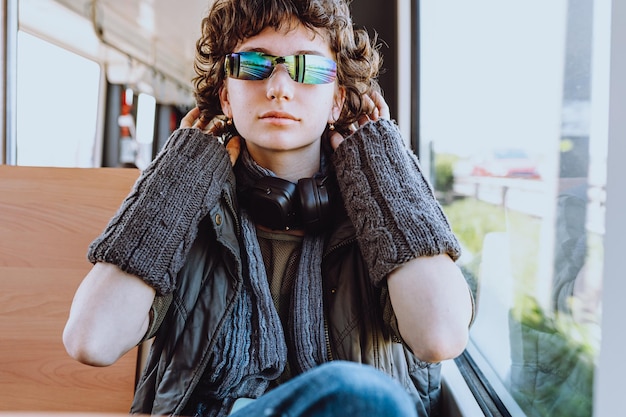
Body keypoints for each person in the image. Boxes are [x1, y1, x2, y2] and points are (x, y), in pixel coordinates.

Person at [63, 0, 474, 416]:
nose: (279, 86)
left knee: (361, 397)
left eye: (308, 68)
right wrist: (176, 179)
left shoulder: (380, 219)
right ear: (226, 95)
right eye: (253, 65)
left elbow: (440, 335)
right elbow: (90, 339)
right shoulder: (183, 214)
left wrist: (386, 169)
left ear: (337, 100)